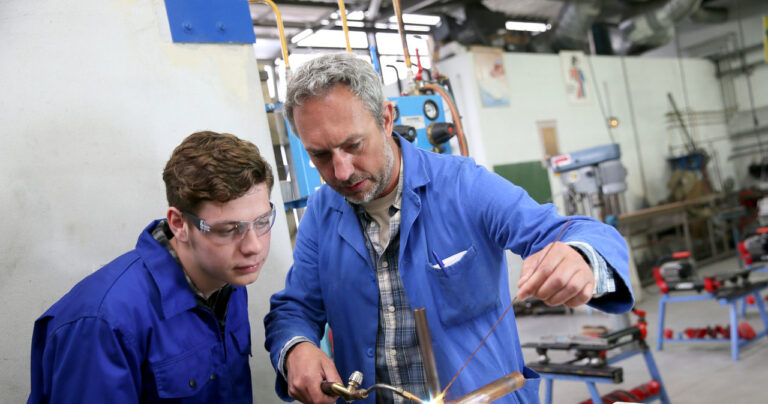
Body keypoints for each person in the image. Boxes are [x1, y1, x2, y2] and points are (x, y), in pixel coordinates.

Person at [264, 53, 633, 404]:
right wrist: (296, 347)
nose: (342, 171)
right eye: (320, 155)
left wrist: (581, 257)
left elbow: (575, 232)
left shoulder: (464, 186)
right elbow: (295, 306)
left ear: (386, 119)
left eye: (353, 145)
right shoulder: (320, 213)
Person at [29, 131, 276, 403]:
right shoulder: (102, 323)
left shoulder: (228, 281)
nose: (254, 246)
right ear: (179, 224)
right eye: (229, 229)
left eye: (262, 222)